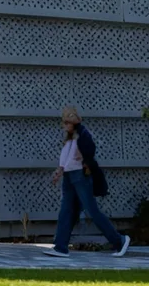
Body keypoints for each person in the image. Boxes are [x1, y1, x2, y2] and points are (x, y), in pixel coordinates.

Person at [43, 106, 131, 258]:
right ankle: (61, 247)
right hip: (69, 178)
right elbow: (66, 160)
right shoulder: (69, 139)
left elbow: (90, 150)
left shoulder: (83, 134)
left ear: (72, 123)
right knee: (66, 211)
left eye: (66, 123)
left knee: (92, 211)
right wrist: (59, 171)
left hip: (80, 177)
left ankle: (120, 241)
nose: (64, 126)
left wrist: (85, 162)